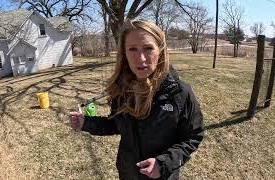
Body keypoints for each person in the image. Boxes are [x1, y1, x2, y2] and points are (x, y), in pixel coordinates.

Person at [69, 20, 204, 180]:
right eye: (132, 49)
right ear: (124, 54)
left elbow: (194, 136)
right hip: (128, 173)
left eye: (148, 48)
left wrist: (164, 163)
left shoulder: (179, 93)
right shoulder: (122, 90)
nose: (140, 58)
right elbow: (116, 124)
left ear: (160, 50)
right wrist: (86, 122)